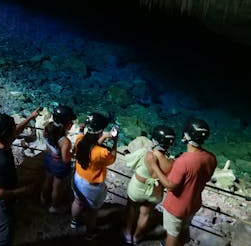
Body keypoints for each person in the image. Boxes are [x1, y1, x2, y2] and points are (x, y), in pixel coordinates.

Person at [147, 118, 217, 246]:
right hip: (194, 204)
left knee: (172, 234)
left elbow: (170, 186)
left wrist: (155, 166)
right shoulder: (211, 158)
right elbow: (205, 178)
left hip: (176, 207)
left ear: (186, 137)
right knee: (184, 228)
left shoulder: (183, 161)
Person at [0, 108, 40, 246]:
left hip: (0, 190)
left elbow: (14, 132)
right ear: (7, 135)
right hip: (3, 201)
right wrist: (24, 190)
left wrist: (30, 117)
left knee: (1, 225)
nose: (15, 129)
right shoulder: (1, 162)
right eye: (12, 128)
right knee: (6, 232)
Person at [123, 126, 176, 245]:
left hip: (137, 188)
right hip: (155, 193)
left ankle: (127, 234)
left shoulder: (145, 154)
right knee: (145, 214)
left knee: (131, 209)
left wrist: (126, 152)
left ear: (155, 141)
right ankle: (136, 237)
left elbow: (129, 161)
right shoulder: (170, 163)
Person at [70, 112, 118, 240]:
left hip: (78, 178)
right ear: (100, 132)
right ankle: (90, 233)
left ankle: (74, 222)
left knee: (78, 201)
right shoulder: (101, 152)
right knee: (92, 211)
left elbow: (90, 143)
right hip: (92, 186)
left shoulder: (80, 140)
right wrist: (115, 142)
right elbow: (112, 158)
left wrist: (104, 136)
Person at [40, 105, 75, 213]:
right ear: (66, 124)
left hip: (48, 159)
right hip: (58, 165)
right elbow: (65, 159)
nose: (73, 123)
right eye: (71, 122)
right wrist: (73, 153)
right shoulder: (65, 141)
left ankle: (43, 198)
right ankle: (54, 207)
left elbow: (48, 145)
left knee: (48, 179)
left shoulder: (47, 127)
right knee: (56, 186)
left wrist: (53, 153)